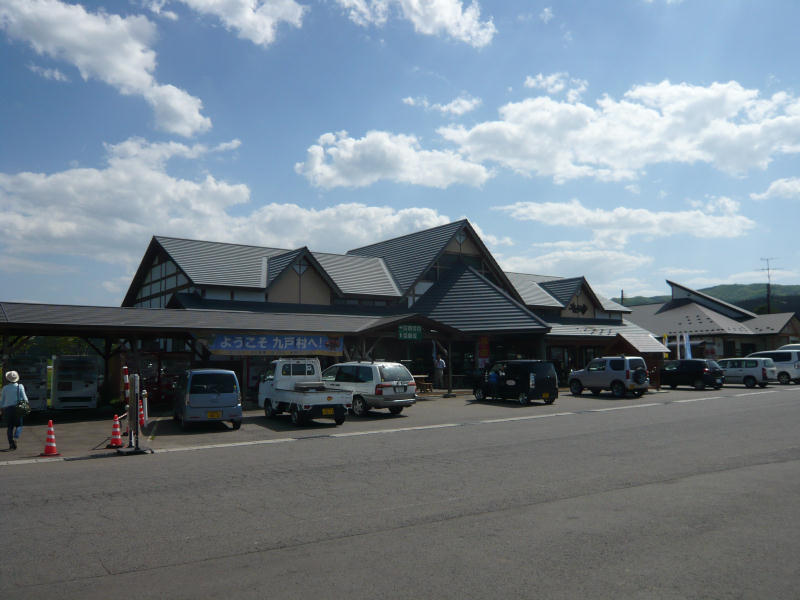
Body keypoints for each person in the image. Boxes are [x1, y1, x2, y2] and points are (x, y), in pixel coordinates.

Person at [1, 370, 27, 450]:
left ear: (8, 379)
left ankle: (11, 444)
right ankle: (16, 437)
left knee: (10, 427)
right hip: (17, 408)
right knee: (19, 425)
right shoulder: (20, 386)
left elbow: (2, 400)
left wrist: (1, 408)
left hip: (7, 409)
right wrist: (25, 405)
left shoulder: (5, 388)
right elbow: (25, 399)